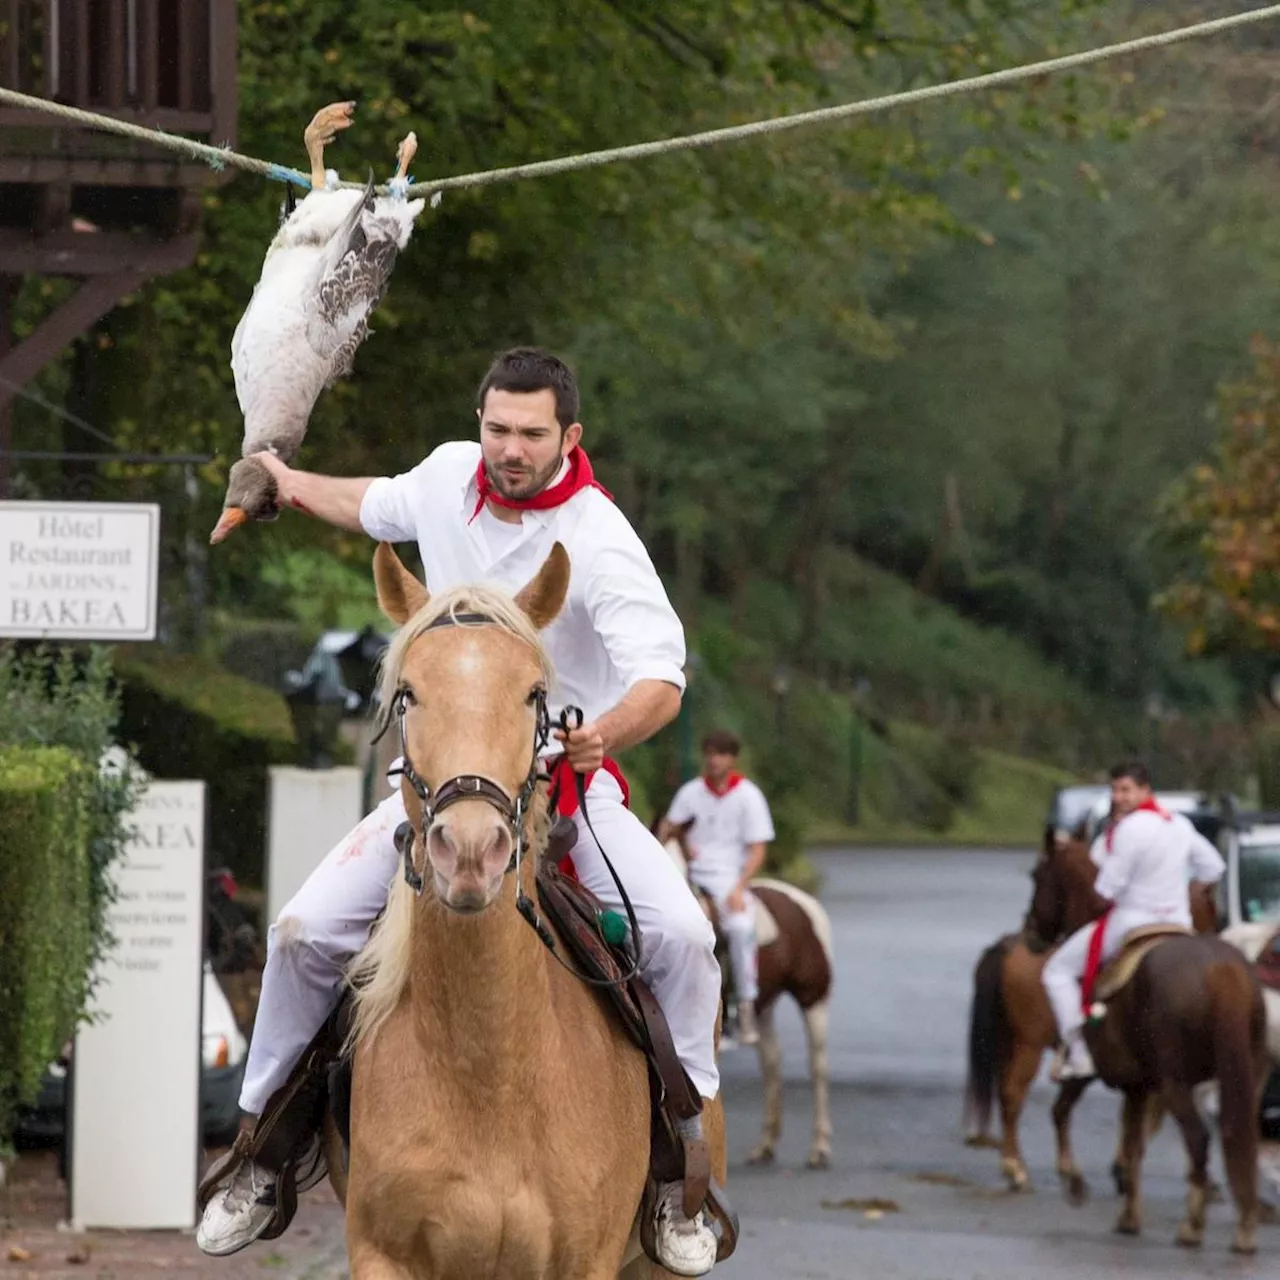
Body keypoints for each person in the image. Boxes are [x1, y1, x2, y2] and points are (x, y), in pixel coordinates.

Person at [197, 348, 724, 1276]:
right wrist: (282, 482)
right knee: (302, 930)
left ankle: (684, 1174)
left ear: (569, 437)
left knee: (682, 935)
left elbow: (662, 677)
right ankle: (260, 1154)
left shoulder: (598, 537)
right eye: (497, 428)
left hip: (564, 786)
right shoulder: (447, 477)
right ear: (479, 421)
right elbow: (372, 505)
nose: (510, 449)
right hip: (433, 789)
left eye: (529, 433)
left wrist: (601, 731)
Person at [1041, 759, 1225, 1082]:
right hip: (1179, 924)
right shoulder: (1178, 823)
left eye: (1126, 790)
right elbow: (1213, 867)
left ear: (1144, 790)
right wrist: (1185, 887)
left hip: (1132, 922)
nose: (1119, 797)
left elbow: (1106, 889)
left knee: (1056, 971)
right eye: (1115, 790)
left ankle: (1080, 1054)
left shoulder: (1130, 829)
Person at [658, 730, 775, 1048]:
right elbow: (667, 830)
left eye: (721, 754)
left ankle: (746, 1006)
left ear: (731, 758)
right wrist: (674, 834)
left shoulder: (748, 796)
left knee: (739, 929)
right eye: (709, 753)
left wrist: (740, 886)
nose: (713, 759)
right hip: (692, 878)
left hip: (729, 881)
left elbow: (758, 849)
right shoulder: (690, 793)